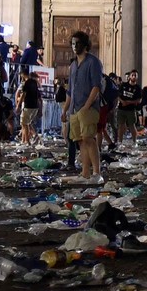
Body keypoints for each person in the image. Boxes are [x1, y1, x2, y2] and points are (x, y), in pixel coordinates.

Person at [63, 30, 102, 183]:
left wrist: (87, 105)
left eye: (77, 43)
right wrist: (65, 109)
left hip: (88, 107)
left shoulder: (93, 62)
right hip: (74, 108)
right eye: (72, 43)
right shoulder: (73, 65)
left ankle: (97, 172)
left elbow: (96, 86)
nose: (74, 46)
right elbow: (70, 90)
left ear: (85, 45)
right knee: (80, 141)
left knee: (89, 138)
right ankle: (85, 172)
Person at [116, 70, 142, 146]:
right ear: (130, 76)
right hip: (121, 108)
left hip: (131, 109)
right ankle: (120, 142)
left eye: (135, 75)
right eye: (132, 75)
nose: (134, 77)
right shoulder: (123, 85)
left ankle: (134, 141)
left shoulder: (137, 88)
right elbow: (118, 95)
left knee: (132, 125)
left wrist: (128, 102)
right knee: (121, 125)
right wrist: (122, 101)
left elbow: (139, 100)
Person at [15, 68, 40, 145]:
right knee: (27, 123)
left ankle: (28, 140)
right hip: (35, 106)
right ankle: (25, 140)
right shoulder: (34, 83)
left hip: (28, 105)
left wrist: (18, 106)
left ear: (23, 74)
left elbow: (23, 94)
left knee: (24, 124)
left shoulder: (26, 83)